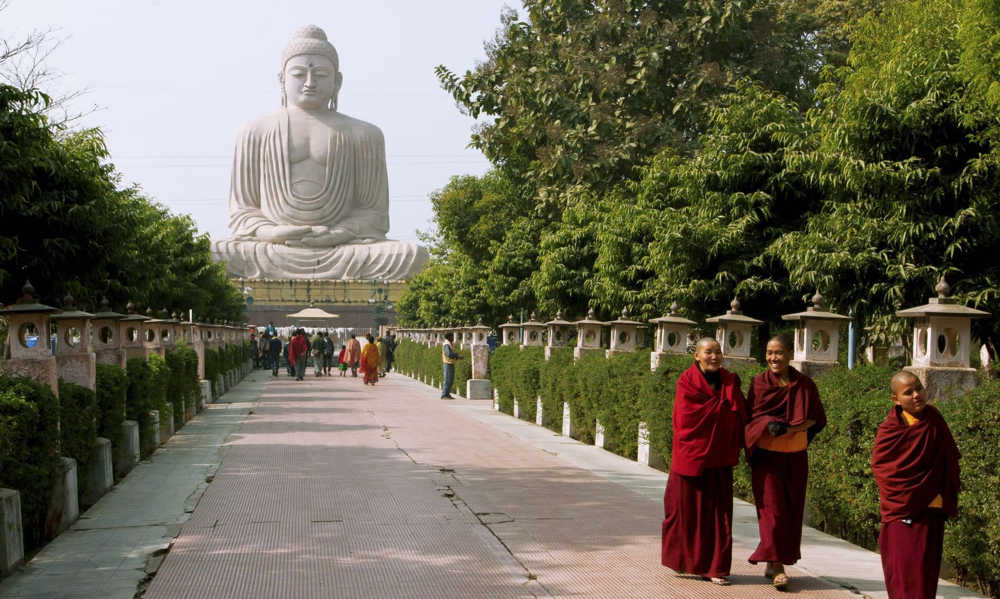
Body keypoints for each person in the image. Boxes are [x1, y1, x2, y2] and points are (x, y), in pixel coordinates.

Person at [209, 24, 428, 280]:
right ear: (282, 79)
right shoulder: (254, 131)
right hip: (274, 248)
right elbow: (242, 212)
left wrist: (339, 234)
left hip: (342, 248)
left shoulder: (364, 134)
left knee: (412, 255)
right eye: (299, 74)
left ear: (338, 81)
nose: (310, 83)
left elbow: (373, 213)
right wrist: (272, 232)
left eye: (322, 75)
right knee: (212, 254)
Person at [661, 338, 746, 586]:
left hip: (719, 458)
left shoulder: (730, 381)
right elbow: (684, 420)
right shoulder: (687, 381)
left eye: (718, 352)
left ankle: (715, 567)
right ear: (697, 356)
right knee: (684, 512)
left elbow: (740, 413)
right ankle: (687, 562)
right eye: (708, 352)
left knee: (718, 516)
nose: (714, 356)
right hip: (691, 456)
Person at [744, 335, 826, 590]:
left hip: (795, 455)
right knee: (773, 511)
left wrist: (792, 428)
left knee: (790, 512)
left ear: (790, 353)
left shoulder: (805, 384)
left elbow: (816, 418)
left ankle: (774, 559)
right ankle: (778, 566)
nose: (773, 358)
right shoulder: (759, 383)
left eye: (778, 352)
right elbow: (751, 420)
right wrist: (768, 424)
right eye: (769, 352)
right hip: (768, 457)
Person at [872, 371, 960, 599]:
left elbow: (949, 458)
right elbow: (884, 471)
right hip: (902, 512)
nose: (916, 395)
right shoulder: (890, 430)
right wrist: (913, 496)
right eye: (908, 392)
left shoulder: (934, 419)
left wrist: (941, 493)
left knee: (926, 576)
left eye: (919, 388)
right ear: (896, 399)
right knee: (905, 575)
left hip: (932, 510)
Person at [440, 332, 461, 399]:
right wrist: (456, 356)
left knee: (450, 380)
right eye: (452, 337)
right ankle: (444, 395)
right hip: (447, 363)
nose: (453, 338)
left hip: (450, 363)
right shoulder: (446, 344)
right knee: (447, 380)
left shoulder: (449, 344)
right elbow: (448, 354)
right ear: (449, 337)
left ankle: (447, 394)